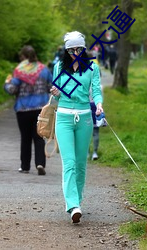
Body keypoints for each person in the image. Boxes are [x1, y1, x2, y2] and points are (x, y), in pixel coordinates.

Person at [50, 31, 103, 223]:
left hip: (85, 118)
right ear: (66, 50)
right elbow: (56, 96)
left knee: (81, 164)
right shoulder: (58, 67)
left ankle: (77, 201)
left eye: (79, 49)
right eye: (71, 50)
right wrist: (55, 92)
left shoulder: (91, 68)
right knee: (69, 163)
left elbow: (96, 90)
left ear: (84, 49)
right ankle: (72, 205)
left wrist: (98, 104)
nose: (75, 52)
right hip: (63, 117)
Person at [4, 45, 53, 175]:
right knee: (39, 137)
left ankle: (25, 166)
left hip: (23, 109)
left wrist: (7, 83)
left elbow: (12, 90)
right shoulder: (44, 70)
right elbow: (51, 86)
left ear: (23, 57)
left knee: (25, 138)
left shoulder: (19, 71)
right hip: (40, 109)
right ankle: (40, 163)